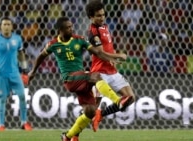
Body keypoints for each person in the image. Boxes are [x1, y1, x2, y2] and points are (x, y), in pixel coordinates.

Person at [27, 17, 132, 141]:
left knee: (90, 111)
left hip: (81, 80)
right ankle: (117, 101)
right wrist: (33, 71)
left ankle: (68, 136)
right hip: (70, 79)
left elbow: (98, 52)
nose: (72, 29)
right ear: (60, 30)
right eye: (68, 27)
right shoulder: (53, 44)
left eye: (72, 26)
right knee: (96, 76)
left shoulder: (79, 40)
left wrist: (113, 57)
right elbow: (41, 56)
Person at [85, 0, 135, 132]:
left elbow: (107, 48)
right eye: (98, 16)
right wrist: (118, 56)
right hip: (100, 73)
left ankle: (102, 114)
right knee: (91, 110)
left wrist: (111, 59)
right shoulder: (93, 33)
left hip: (112, 71)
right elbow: (100, 53)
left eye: (103, 15)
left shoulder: (105, 26)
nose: (102, 18)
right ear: (91, 17)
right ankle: (73, 133)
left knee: (130, 98)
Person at [0, 17, 32, 131]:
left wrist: (25, 70)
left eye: (8, 24)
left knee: (22, 96)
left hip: (15, 73)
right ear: (1, 26)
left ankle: (24, 123)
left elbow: (21, 55)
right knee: (2, 99)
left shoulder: (17, 39)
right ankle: (1, 125)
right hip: (1, 75)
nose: (6, 26)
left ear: (12, 26)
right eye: (4, 24)